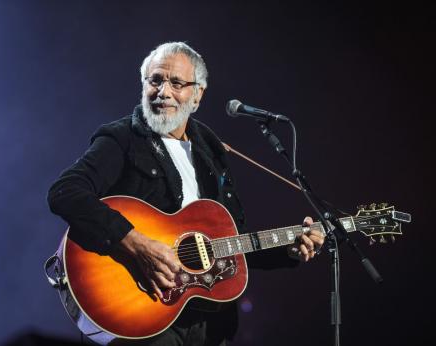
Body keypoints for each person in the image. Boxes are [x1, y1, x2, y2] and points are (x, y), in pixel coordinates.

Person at [47, 42, 324, 346]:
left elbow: (229, 244)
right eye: (155, 80)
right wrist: (135, 243)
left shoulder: (212, 151)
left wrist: (287, 249)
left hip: (209, 324)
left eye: (176, 83)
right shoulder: (123, 138)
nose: (163, 91)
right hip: (146, 318)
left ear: (197, 95)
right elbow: (65, 191)